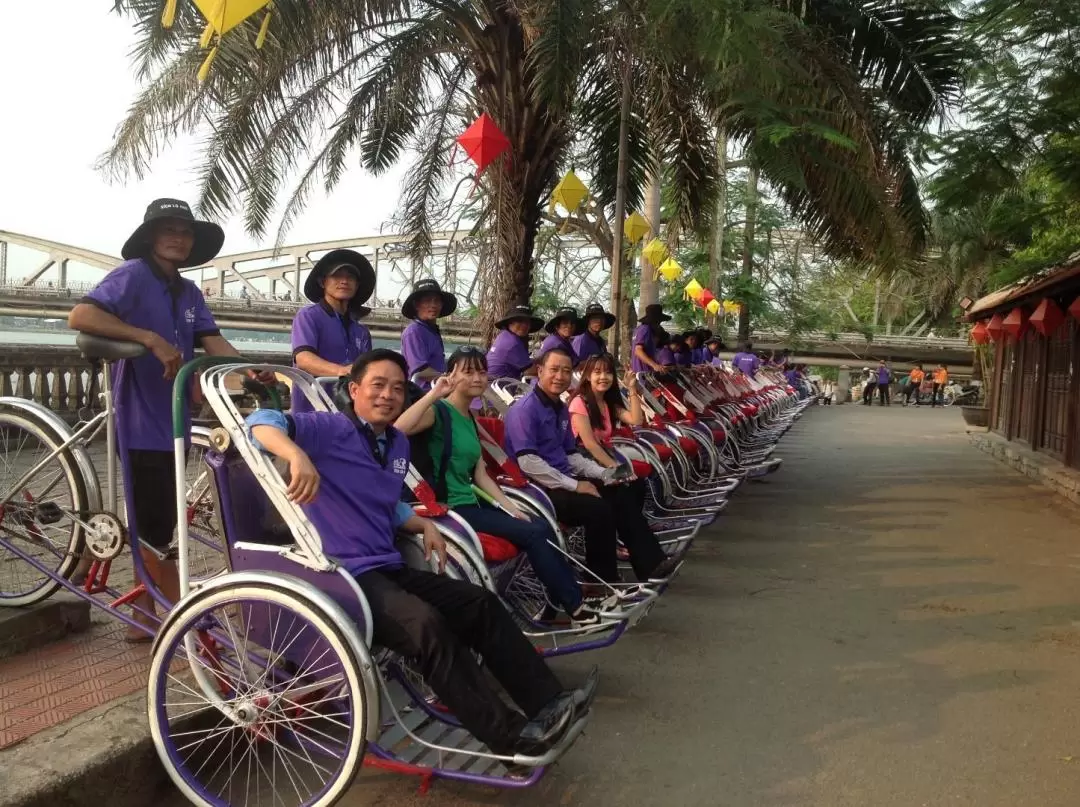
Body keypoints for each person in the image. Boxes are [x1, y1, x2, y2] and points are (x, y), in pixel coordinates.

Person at [246, 349, 596, 755]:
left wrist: (423, 523)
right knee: (427, 626)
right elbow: (259, 422)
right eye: (377, 385)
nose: (388, 395)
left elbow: (385, 503)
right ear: (354, 390)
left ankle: (548, 702)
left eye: (397, 388)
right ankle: (510, 740)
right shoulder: (330, 429)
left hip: (387, 565)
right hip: (344, 575)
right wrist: (296, 454)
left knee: (480, 603)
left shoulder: (394, 442)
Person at [67, 198, 274, 639]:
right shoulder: (132, 276)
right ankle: (171, 612)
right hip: (140, 414)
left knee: (162, 521)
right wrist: (149, 338)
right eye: (170, 230)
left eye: (186, 231)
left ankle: (144, 616)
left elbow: (212, 340)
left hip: (174, 414)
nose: (179, 238)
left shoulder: (189, 292)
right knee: (153, 518)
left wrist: (252, 367)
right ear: (151, 237)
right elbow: (80, 315)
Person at [395, 347, 601, 626]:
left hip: (469, 502)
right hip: (449, 507)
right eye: (468, 372)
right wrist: (434, 393)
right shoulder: (438, 412)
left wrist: (510, 507)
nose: (478, 378)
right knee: (532, 533)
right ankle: (576, 606)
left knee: (540, 525)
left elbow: (480, 473)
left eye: (481, 371)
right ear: (451, 376)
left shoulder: (469, 418)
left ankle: (558, 603)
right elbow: (397, 430)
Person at [505, 347, 678, 583]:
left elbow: (571, 455)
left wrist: (605, 473)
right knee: (599, 509)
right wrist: (576, 485)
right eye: (554, 370)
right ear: (540, 370)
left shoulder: (559, 409)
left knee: (624, 489)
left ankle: (650, 564)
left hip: (564, 479)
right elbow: (529, 463)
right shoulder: (525, 410)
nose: (560, 376)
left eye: (566, 371)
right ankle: (601, 581)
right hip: (539, 489)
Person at [290, 249, 375, 412]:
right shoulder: (309, 316)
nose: (344, 281)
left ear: (357, 285)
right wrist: (342, 371)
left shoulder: (361, 330)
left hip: (349, 412)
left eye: (350, 277)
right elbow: (303, 359)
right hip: (312, 409)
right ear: (323, 282)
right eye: (337, 276)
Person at [400, 278, 456, 388]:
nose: (433, 305)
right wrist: (450, 378)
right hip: (422, 394)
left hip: (437, 389)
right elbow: (420, 371)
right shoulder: (414, 332)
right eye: (427, 300)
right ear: (416, 305)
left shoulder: (431, 330)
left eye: (437, 301)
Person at [486, 305, 544, 380]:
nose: (524, 325)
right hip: (498, 384)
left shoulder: (504, 335)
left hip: (491, 379)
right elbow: (531, 371)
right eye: (520, 321)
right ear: (510, 323)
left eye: (527, 322)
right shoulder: (513, 343)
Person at [632, 304, 670, 373]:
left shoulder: (638, 329)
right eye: (659, 322)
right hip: (644, 373)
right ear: (656, 321)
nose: (659, 324)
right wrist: (654, 365)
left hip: (640, 371)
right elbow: (638, 351)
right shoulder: (646, 329)